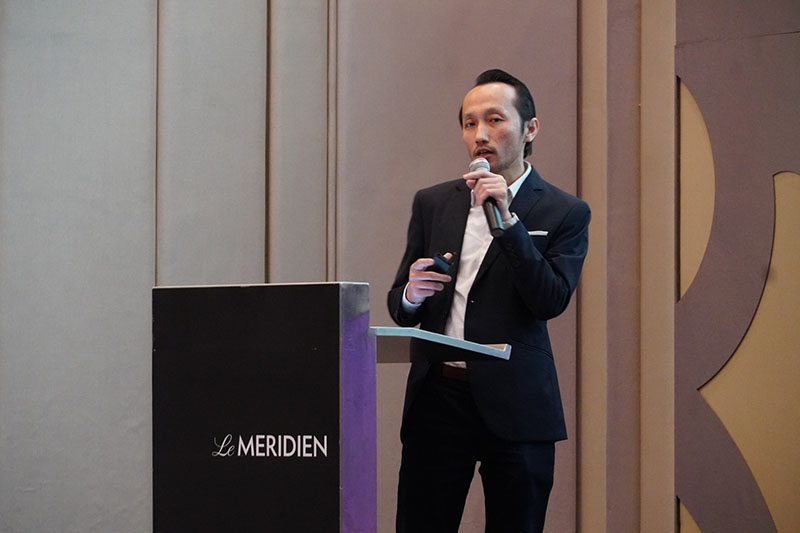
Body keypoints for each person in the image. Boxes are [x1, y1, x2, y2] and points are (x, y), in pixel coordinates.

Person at [387, 69, 590, 532]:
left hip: (518, 402)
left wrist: (511, 224)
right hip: (439, 399)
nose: (480, 134)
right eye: (469, 123)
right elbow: (400, 304)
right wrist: (412, 294)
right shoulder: (434, 202)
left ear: (529, 129)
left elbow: (550, 300)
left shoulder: (565, 211)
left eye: (495, 120)